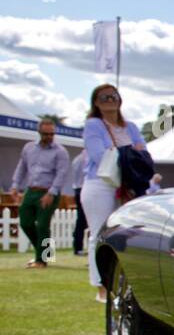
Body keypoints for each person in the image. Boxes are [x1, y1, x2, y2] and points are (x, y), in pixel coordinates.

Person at [82, 84, 147, 303]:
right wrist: (128, 153)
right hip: (101, 184)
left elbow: (143, 153)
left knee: (125, 234)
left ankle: (123, 281)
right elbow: (99, 156)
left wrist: (122, 153)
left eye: (113, 96)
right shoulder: (94, 125)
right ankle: (101, 285)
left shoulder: (131, 127)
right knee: (99, 234)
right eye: (104, 97)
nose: (110, 100)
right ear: (96, 102)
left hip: (126, 185)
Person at [9, 118, 69, 268]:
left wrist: (51, 193)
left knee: (43, 225)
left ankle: (41, 260)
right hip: (31, 191)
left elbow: (61, 174)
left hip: (49, 192)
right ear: (39, 132)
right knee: (25, 223)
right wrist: (15, 185)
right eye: (45, 134)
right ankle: (46, 253)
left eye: (52, 134)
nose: (49, 137)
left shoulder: (60, 152)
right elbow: (21, 167)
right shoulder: (29, 148)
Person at [70, 148, 88, 255]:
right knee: (82, 220)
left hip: (77, 190)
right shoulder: (87, 158)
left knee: (80, 220)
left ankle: (77, 246)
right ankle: (78, 247)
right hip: (84, 189)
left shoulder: (77, 159)